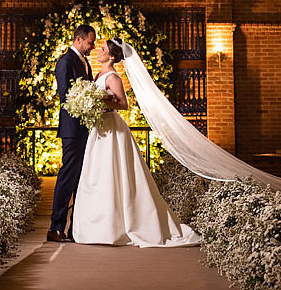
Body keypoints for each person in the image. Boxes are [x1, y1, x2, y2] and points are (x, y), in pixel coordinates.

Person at [71, 39, 202, 247]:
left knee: (113, 174)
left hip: (112, 129)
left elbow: (124, 104)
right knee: (97, 176)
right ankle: (99, 226)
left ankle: (121, 226)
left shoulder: (113, 77)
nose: (99, 51)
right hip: (98, 129)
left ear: (112, 57)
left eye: (103, 49)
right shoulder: (98, 75)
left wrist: (98, 100)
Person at [46, 23, 96, 243]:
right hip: (72, 129)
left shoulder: (86, 63)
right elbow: (65, 95)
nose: (92, 47)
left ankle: (76, 227)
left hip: (85, 128)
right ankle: (55, 228)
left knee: (80, 179)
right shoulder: (65, 62)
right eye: (90, 42)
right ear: (78, 40)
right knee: (67, 177)